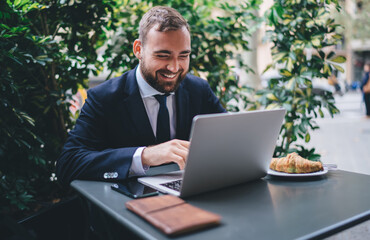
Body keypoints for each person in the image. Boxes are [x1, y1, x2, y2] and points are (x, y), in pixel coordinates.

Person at [56, 6, 226, 186]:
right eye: (163, 55)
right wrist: (144, 156)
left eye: (183, 56)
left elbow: (231, 139)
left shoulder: (199, 90)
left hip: (191, 197)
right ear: (138, 49)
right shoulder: (104, 98)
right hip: (126, 205)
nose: (174, 67)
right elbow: (68, 164)